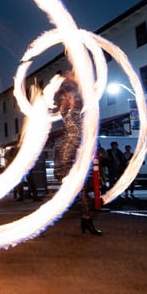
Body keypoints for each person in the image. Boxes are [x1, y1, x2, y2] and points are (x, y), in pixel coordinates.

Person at [53, 71, 102, 236]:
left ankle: (86, 220)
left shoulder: (76, 111)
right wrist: (69, 82)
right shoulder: (68, 111)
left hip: (77, 150)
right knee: (74, 187)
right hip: (68, 151)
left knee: (81, 188)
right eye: (70, 97)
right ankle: (82, 219)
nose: (73, 98)